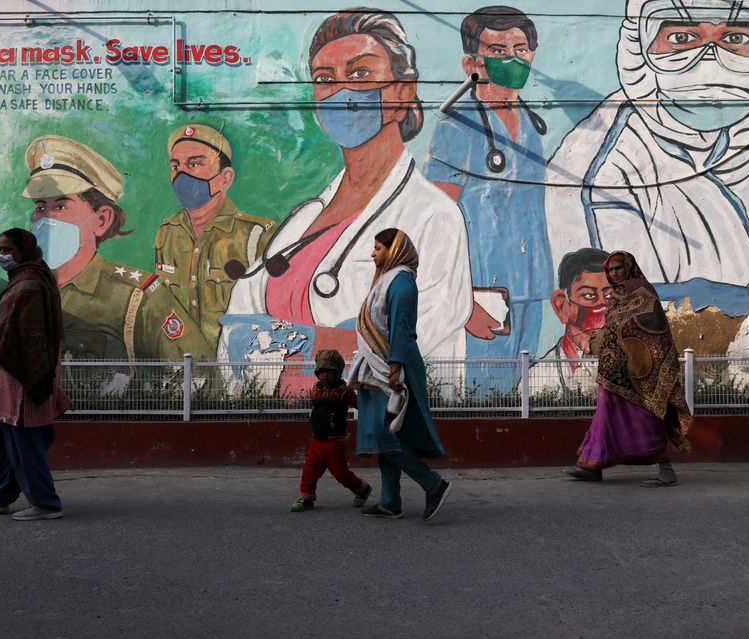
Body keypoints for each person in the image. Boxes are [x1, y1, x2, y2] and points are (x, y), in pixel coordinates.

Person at [545, 0, 749, 354]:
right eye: (683, 38)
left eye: (734, 38)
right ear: (639, 46)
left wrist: (747, 301)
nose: (711, 58)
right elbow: (639, 318)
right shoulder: (602, 170)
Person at [219, 8, 472, 396]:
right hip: (285, 416)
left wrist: (286, 341)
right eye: (325, 79)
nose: (341, 92)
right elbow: (234, 334)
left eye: (360, 73)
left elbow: (405, 345)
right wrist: (324, 341)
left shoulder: (434, 217)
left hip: (375, 417)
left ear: (403, 92)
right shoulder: (303, 218)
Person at [423, 5, 551, 391]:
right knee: (484, 392)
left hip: (530, 286)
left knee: (521, 393)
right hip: (480, 291)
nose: (513, 59)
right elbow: (435, 223)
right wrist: (460, 304)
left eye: (520, 49)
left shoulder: (531, 126)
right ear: (471, 63)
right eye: (498, 50)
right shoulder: (457, 128)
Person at [23, 134, 215, 362]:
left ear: (102, 219)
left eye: (61, 206)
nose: (46, 219)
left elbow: (199, 372)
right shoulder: (25, 293)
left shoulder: (138, 298)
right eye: (40, 207)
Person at [347, 229, 451, 520]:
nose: (373, 254)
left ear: (394, 251)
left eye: (378, 248)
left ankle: (432, 484)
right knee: (388, 436)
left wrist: (394, 365)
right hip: (380, 364)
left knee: (385, 435)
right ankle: (390, 501)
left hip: (391, 366)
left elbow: (402, 327)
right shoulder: (388, 281)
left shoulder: (401, 282)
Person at [0, 228, 70, 520]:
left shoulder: (29, 284)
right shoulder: (31, 278)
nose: (2, 256)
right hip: (12, 370)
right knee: (1, 432)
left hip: (25, 372)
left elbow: (21, 330)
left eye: (8, 249)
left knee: (24, 438)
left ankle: (45, 503)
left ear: (23, 250)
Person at [566, 251, 692, 486]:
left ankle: (666, 470)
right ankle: (593, 466)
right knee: (606, 419)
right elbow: (613, 330)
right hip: (613, 372)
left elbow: (653, 329)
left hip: (642, 371)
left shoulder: (643, 292)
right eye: (610, 270)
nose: (614, 273)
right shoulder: (617, 296)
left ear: (629, 267)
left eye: (618, 268)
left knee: (647, 418)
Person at [155, 124, 276, 351]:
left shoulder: (256, 234)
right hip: (181, 365)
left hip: (236, 366)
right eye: (175, 166)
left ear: (225, 178)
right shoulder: (167, 232)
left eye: (194, 164)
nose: (181, 174)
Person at [289, 349, 372, 512]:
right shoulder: (317, 388)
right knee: (309, 470)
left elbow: (361, 405)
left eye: (329, 371)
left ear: (338, 372)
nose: (324, 375)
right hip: (317, 439)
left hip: (335, 442)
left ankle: (362, 489)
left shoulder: (344, 391)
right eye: (321, 371)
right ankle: (306, 498)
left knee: (340, 473)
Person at [531, 248, 611, 392]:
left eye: (610, 296)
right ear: (562, 305)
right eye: (589, 296)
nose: (603, 307)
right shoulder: (539, 378)